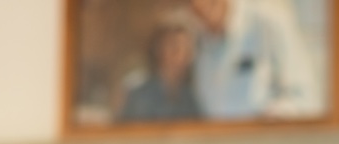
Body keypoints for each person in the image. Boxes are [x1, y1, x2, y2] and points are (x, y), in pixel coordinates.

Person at [189, 0, 323, 119]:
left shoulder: (269, 20)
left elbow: (307, 98)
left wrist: (271, 119)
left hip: (270, 143)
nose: (201, 5)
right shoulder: (200, 42)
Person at [119, 14, 202, 122]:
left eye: (187, 50)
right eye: (175, 48)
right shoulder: (138, 94)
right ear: (158, 49)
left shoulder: (190, 98)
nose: (181, 57)